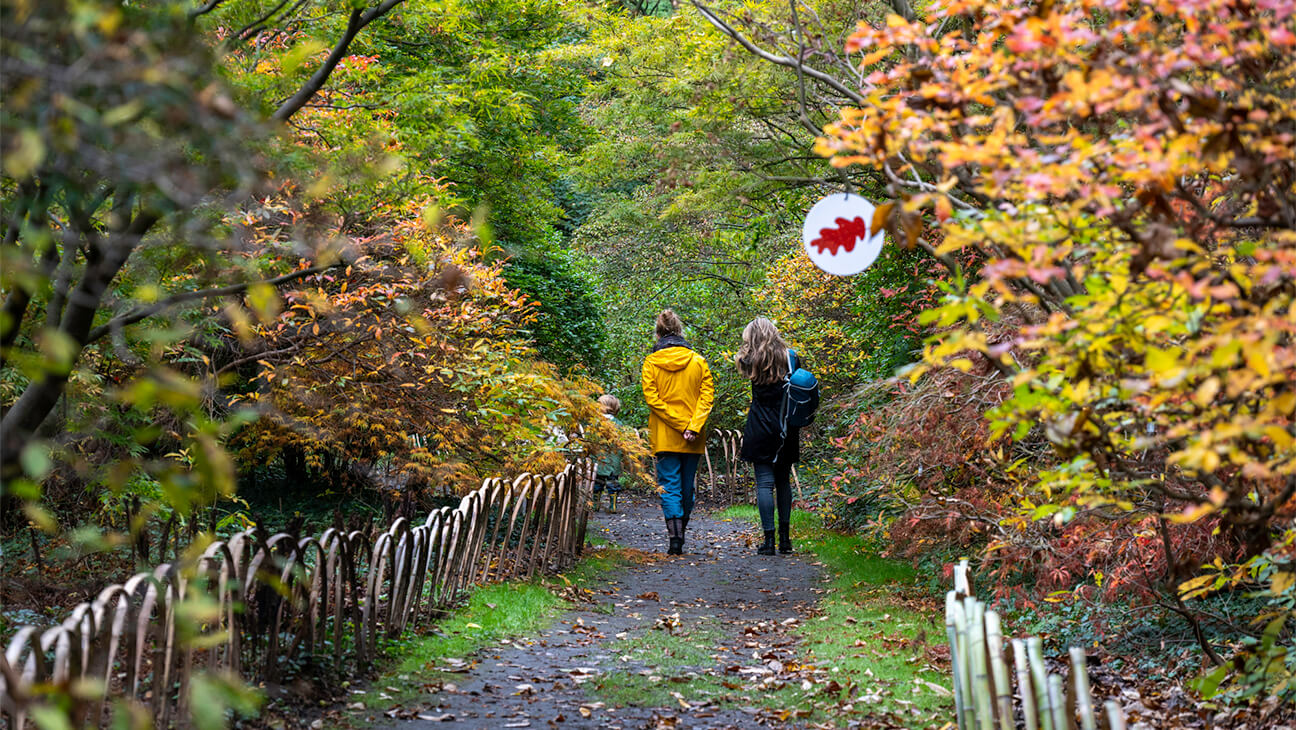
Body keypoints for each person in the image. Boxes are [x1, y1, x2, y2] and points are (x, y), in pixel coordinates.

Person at [641, 309, 714, 555]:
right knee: (687, 487)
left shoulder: (651, 363)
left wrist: (679, 425)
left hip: (664, 435)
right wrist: (692, 426)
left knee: (669, 485)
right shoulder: (698, 361)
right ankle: (680, 533)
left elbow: (653, 400)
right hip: (692, 437)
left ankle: (675, 539)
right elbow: (707, 398)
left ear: (658, 332)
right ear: (679, 330)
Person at [735, 317, 803, 555]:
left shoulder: (748, 360)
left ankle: (768, 541)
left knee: (764, 483)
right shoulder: (790, 357)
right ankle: (785, 540)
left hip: (760, 424)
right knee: (783, 481)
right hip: (786, 425)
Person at [593, 395, 624, 512]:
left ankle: (595, 504)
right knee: (613, 483)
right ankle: (613, 505)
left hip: (598, 458)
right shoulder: (618, 423)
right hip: (613, 458)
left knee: (597, 482)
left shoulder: (596, 422)